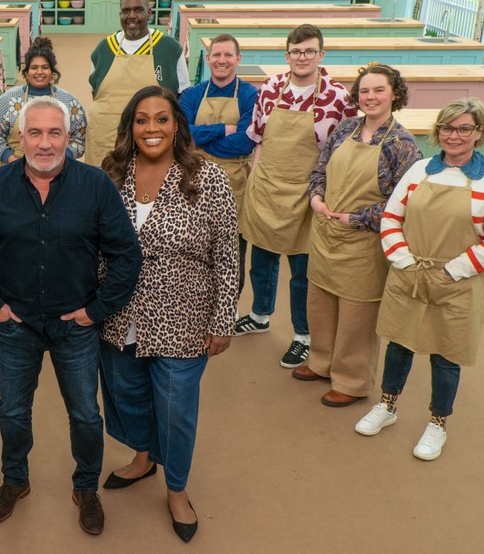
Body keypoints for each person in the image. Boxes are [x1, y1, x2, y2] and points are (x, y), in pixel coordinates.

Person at [0, 96, 142, 536]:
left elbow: (127, 256)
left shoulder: (94, 186)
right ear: (20, 138)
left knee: (86, 416)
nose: (44, 143)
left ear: (69, 138)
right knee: (13, 412)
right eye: (34, 133)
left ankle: (86, 487)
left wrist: (96, 310)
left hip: (75, 327)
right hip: (15, 326)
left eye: (54, 132)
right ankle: (15, 481)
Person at [99, 86, 237, 543]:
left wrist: (222, 320)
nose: (151, 128)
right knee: (127, 395)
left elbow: (227, 255)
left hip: (184, 315)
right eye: (142, 120)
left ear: (177, 124)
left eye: (161, 119)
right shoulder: (112, 173)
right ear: (130, 127)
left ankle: (176, 488)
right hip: (120, 313)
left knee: (176, 409)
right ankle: (143, 458)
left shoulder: (208, 177)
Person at [357, 98, 484, 461]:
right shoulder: (420, 170)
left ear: (479, 132)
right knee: (400, 343)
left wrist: (454, 270)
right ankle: (388, 407)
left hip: (458, 280)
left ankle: (438, 423)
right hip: (410, 271)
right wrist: (403, 260)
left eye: (464, 128)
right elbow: (392, 217)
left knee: (445, 354)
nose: (454, 136)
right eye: (447, 127)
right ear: (438, 131)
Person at [294, 64, 421, 407]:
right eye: (365, 91)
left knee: (356, 315)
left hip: (364, 241)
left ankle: (351, 380)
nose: (371, 97)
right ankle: (321, 361)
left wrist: (359, 218)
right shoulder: (346, 128)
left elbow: (406, 203)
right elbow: (319, 169)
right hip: (326, 231)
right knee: (319, 303)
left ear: (395, 94)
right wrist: (317, 198)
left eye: (379, 90)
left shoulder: (403, 144)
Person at [236, 24, 357, 368]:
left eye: (309, 51)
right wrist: (256, 179)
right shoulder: (271, 87)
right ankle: (260, 315)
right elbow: (258, 137)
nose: (302, 57)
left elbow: (343, 153)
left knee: (302, 269)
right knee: (261, 259)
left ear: (321, 54)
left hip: (308, 192)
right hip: (267, 186)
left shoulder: (337, 97)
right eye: (296, 51)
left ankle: (303, 335)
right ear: (286, 54)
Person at [179, 33, 258, 295]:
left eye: (227, 55)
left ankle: (229, 309)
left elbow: (245, 142)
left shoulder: (250, 94)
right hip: (194, 180)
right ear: (208, 59)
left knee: (231, 252)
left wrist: (200, 140)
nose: (221, 60)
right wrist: (224, 129)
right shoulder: (191, 94)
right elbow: (181, 135)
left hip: (234, 183)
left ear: (238, 59)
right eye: (216, 55)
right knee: (192, 248)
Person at [87, 0, 190, 167]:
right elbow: (96, 92)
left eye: (138, 10)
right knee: (104, 185)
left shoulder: (168, 48)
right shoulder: (103, 49)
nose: (132, 16)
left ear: (149, 13)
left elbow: (182, 96)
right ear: (120, 14)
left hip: (151, 138)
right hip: (105, 138)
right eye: (126, 11)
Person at [0, 36, 86, 164]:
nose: (39, 72)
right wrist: (10, 159)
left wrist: (64, 158)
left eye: (45, 67)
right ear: (26, 72)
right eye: (34, 68)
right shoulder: (7, 100)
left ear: (52, 71)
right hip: (15, 167)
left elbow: (79, 137)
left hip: (58, 167)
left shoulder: (69, 102)